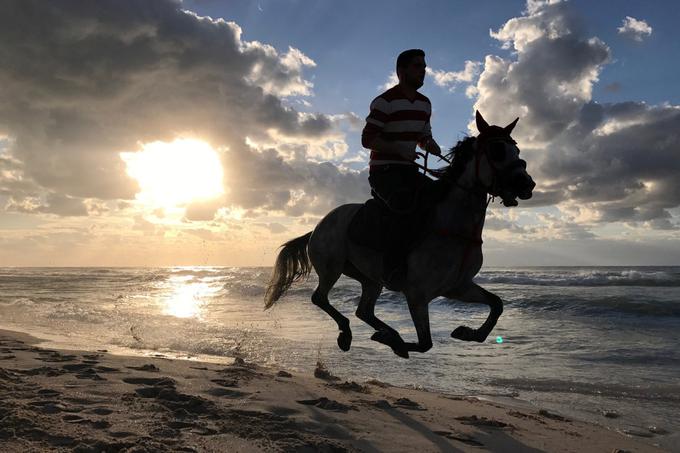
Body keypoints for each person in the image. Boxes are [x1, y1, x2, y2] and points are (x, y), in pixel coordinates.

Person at [360, 49, 442, 284]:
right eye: (418, 67)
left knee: (440, 197)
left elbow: (423, 136)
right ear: (401, 71)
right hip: (383, 173)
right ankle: (393, 268)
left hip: (408, 171)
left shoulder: (425, 104)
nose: (423, 71)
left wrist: (430, 144)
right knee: (403, 206)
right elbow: (367, 139)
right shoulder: (385, 102)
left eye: (424, 67)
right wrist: (398, 150)